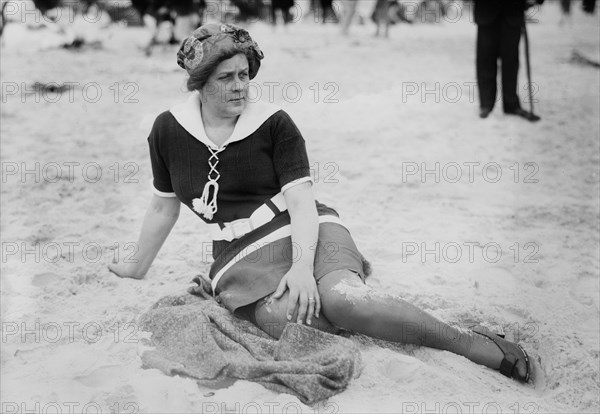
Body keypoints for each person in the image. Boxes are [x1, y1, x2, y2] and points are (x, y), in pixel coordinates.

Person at [109, 23, 533, 384]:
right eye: (226, 78)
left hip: (300, 226)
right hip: (236, 255)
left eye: (245, 74)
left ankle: (473, 344)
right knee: (285, 322)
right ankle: (376, 321)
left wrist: (300, 266)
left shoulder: (274, 123)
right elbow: (164, 205)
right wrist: (135, 266)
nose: (240, 86)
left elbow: (301, 201)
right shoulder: (168, 130)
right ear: (199, 84)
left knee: (346, 302)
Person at [474, 0, 544, 120]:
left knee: (511, 61)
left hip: (513, 12)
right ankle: (486, 103)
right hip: (486, 11)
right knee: (485, 60)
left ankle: (511, 103)